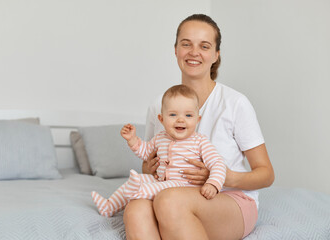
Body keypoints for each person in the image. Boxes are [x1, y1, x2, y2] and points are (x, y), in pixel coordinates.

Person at [123, 14, 275, 240]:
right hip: (173, 193)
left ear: (216, 55)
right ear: (176, 50)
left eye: (204, 46)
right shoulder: (158, 105)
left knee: (169, 200)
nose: (194, 52)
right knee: (135, 209)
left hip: (229, 200)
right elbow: (149, 164)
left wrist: (221, 177)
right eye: (186, 44)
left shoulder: (235, 103)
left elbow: (266, 174)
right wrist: (149, 169)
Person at [91, 85, 226, 217]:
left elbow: (218, 164)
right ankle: (109, 206)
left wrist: (213, 184)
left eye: (188, 115)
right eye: (173, 114)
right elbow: (145, 152)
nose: (180, 119)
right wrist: (132, 140)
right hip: (161, 180)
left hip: (184, 186)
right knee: (139, 178)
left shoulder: (200, 142)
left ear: (197, 120)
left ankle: (137, 193)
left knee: (155, 188)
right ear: (161, 119)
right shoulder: (160, 138)